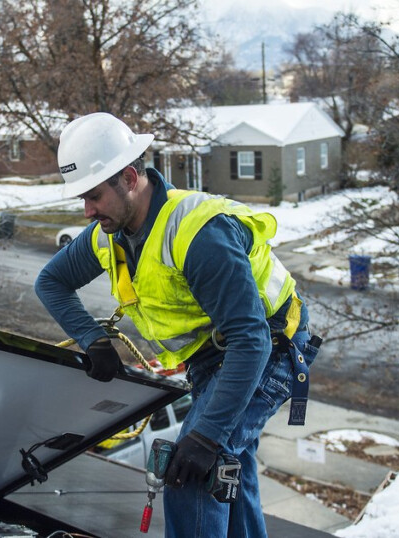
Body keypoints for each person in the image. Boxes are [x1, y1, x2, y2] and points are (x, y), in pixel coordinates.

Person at [34, 112, 320, 538]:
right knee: (229, 474)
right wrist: (93, 339)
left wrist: (205, 436)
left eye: (94, 196)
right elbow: (51, 282)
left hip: (270, 349)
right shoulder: (107, 234)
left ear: (129, 177)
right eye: (83, 200)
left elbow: (251, 340)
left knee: (192, 471)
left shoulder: (198, 233)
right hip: (216, 361)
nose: (88, 211)